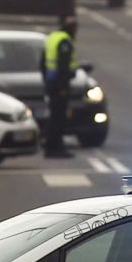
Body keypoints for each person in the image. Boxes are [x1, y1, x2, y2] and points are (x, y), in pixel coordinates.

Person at [41, 16, 78, 158]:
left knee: (53, 115)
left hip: (51, 82)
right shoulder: (64, 42)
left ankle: (51, 145)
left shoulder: (52, 38)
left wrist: (46, 80)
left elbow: (43, 63)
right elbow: (63, 66)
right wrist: (63, 86)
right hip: (59, 84)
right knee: (59, 117)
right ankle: (55, 147)